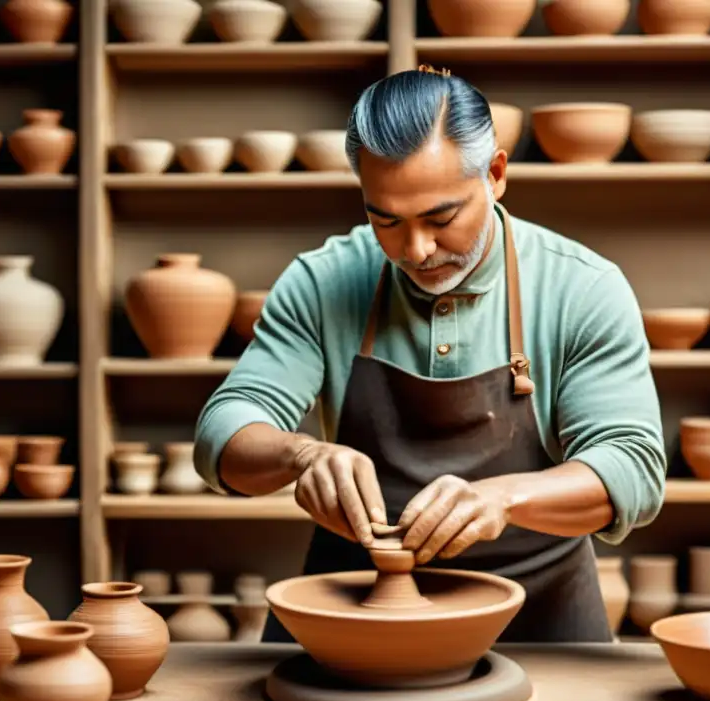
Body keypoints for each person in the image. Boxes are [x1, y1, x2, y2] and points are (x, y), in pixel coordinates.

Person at [194, 65, 667, 643]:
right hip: (358, 602)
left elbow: (633, 468)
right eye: (384, 220)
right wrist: (301, 456)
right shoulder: (322, 281)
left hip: (538, 616)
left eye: (441, 218)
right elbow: (222, 432)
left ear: (495, 174)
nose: (416, 250)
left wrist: (505, 497)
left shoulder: (583, 288)